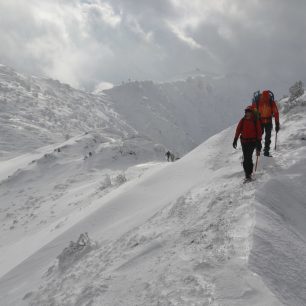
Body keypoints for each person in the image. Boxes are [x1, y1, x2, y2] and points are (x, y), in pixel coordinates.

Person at [233, 106, 262, 180]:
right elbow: (238, 130)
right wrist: (235, 139)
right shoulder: (243, 120)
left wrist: (259, 142)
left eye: (249, 112)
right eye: (246, 112)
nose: (247, 114)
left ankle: (248, 174)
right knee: (247, 158)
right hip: (244, 142)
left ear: (252, 113)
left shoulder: (255, 121)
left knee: (247, 157)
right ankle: (248, 174)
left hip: (252, 142)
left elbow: (259, 132)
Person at [252, 90, 280, 156]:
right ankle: (265, 150)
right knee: (266, 136)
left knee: (260, 136)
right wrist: (277, 123)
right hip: (266, 121)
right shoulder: (270, 102)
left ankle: (260, 149)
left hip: (261, 121)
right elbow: (276, 113)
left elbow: (254, 110)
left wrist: (255, 120)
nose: (265, 99)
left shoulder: (263, 101)